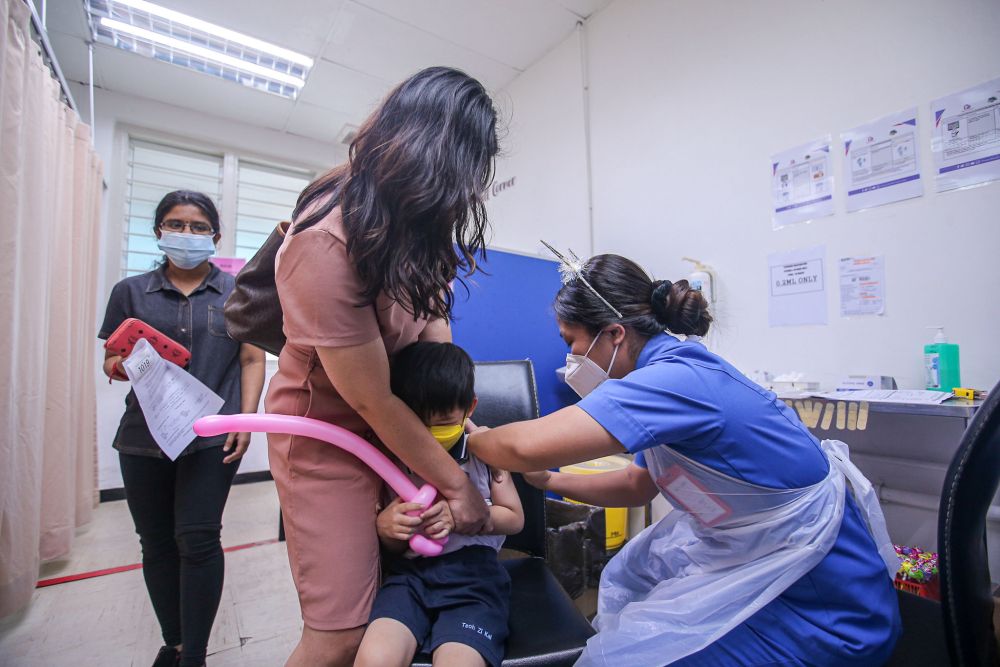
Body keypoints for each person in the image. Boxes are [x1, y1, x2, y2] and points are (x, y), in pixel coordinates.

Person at [468, 252, 902, 666]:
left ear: (615, 333)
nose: (573, 358)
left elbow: (519, 447)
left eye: (574, 342)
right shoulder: (671, 373)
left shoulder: (672, 381)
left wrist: (464, 438)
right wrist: (550, 482)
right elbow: (637, 485)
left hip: (823, 609)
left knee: (627, 655)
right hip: (773, 565)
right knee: (632, 589)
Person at [265, 66, 499, 667]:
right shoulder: (326, 241)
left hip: (397, 423)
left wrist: (447, 402)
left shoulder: (421, 218)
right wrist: (454, 486)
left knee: (383, 610)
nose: (470, 194)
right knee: (342, 630)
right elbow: (369, 398)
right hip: (330, 436)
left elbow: (432, 320)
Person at [98, 190, 266, 667]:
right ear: (158, 232)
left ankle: (194, 654)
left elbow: (253, 357)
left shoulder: (240, 291)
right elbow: (111, 358)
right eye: (176, 224)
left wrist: (246, 419)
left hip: (212, 437)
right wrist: (122, 366)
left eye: (197, 227)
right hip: (142, 439)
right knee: (155, 542)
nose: (186, 234)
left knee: (197, 538)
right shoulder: (130, 292)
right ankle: (172, 642)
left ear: (215, 235)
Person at [354, 342, 524, 667]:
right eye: (419, 422)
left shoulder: (485, 454)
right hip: (409, 579)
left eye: (444, 421)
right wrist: (386, 527)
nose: (431, 435)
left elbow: (514, 518)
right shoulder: (390, 460)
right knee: (374, 659)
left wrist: (464, 516)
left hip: (473, 579)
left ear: (469, 407)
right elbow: (387, 542)